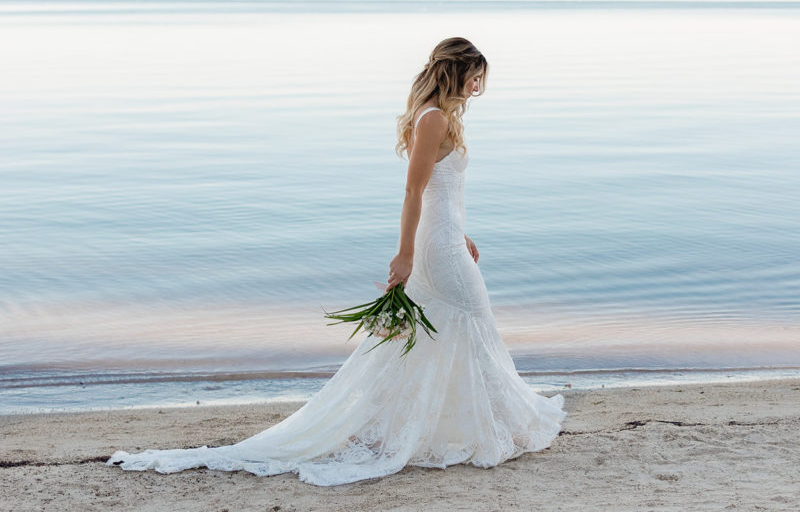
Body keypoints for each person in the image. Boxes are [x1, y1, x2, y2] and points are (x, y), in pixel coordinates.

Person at [106, 37, 567, 486]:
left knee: (452, 330)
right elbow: (411, 192)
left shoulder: (436, 118)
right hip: (433, 247)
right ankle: (482, 425)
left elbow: (438, 189)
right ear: (457, 71)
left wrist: (459, 231)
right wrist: (405, 254)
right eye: (474, 78)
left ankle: (458, 423)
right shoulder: (433, 121)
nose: (477, 88)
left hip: (445, 238)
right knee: (471, 321)